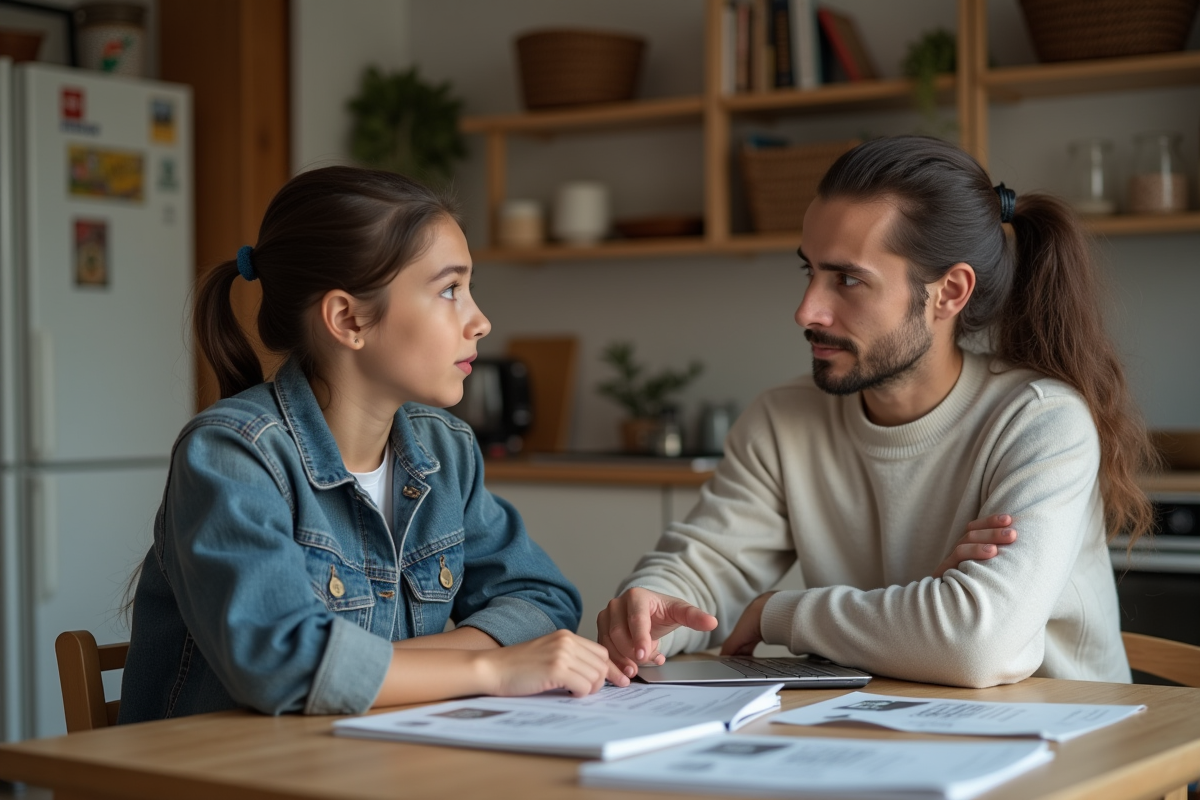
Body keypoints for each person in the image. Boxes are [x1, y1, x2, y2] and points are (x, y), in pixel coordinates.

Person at [599, 135, 1158, 688]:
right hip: (891, 737)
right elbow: (703, 569)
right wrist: (648, 614)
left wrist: (781, 613)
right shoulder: (783, 421)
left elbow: (974, 643)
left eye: (847, 279)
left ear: (949, 292)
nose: (806, 311)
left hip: (1074, 753)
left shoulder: (1041, 423)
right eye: (809, 271)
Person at [119, 167, 623, 723]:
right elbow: (282, 663)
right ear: (348, 318)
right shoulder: (232, 453)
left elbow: (544, 601)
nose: (480, 321)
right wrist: (492, 668)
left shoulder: (445, 452)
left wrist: (375, 667)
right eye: (450, 290)